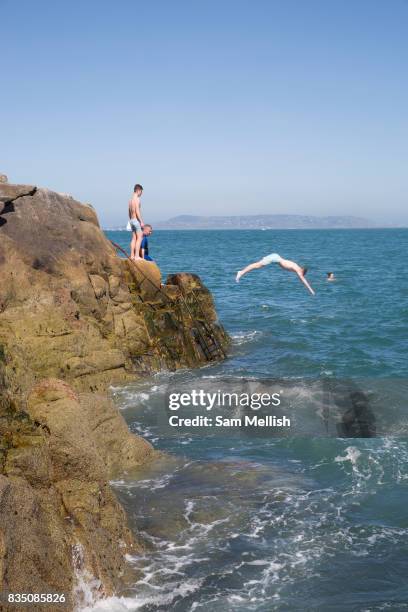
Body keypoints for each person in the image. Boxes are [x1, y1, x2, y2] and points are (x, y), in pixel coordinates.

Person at [236, 252, 315, 295]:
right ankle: (241, 272)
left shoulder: (297, 266)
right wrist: (311, 290)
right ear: (302, 271)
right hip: (275, 258)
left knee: (258, 265)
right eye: (302, 274)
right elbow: (303, 281)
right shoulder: (298, 269)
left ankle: (242, 272)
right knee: (257, 265)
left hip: (275, 257)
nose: (300, 276)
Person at [128, 184, 144, 260]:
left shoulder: (130, 200)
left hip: (131, 220)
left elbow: (129, 212)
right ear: (138, 190)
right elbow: (137, 211)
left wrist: (131, 220)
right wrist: (141, 221)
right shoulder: (137, 199)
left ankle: (132, 255)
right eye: (141, 192)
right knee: (140, 237)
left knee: (134, 238)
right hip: (136, 220)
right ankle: (137, 256)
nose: (141, 194)